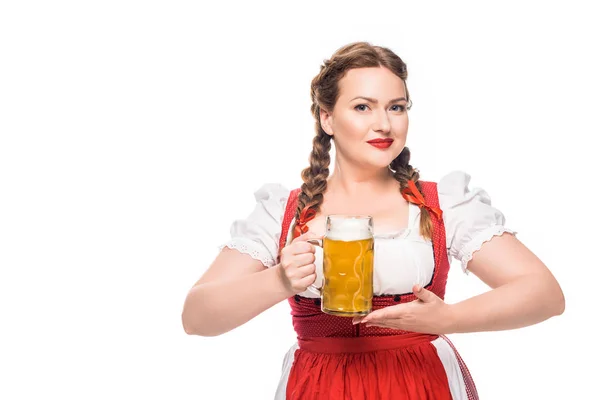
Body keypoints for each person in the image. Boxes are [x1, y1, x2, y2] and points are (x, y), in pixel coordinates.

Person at [181, 42, 565, 399]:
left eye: (396, 107)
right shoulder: (284, 211)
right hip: (318, 386)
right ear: (327, 118)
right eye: (363, 107)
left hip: (422, 383)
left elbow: (544, 294)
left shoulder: (440, 204)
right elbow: (197, 318)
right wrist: (277, 280)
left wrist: (449, 317)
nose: (384, 124)